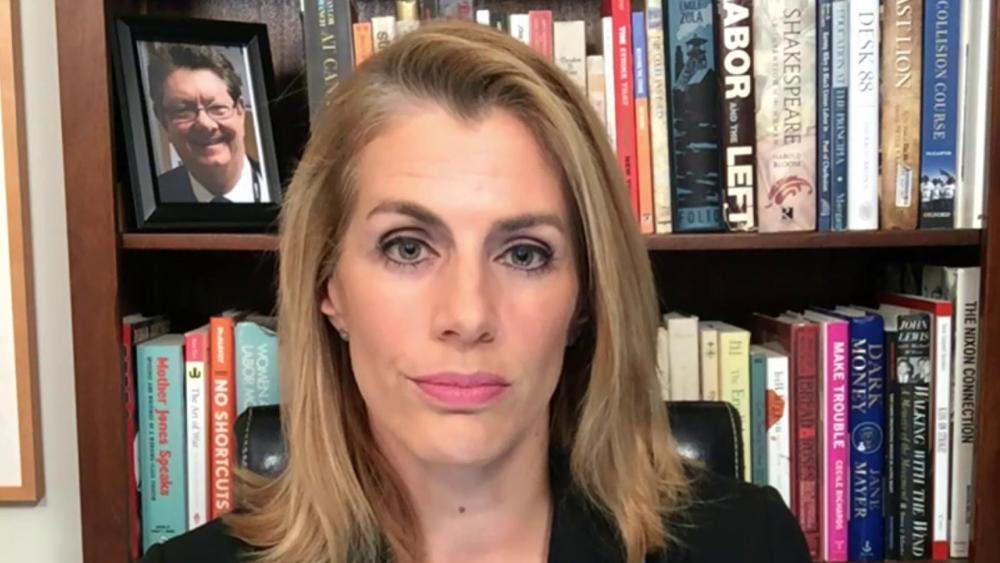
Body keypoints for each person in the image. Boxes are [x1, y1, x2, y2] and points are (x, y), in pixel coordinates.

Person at [143, 21, 809, 563]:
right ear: (328, 285)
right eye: (407, 247)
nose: (467, 315)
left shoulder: (749, 544)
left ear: (585, 299)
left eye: (524, 253)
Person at [146, 43, 268, 204]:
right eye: (183, 111)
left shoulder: (288, 189)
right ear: (164, 122)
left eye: (217, 108)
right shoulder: (150, 199)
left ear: (240, 112)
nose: (205, 124)